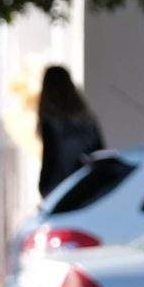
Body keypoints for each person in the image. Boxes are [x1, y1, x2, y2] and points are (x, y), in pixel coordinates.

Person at [35, 67, 103, 198]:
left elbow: (50, 157)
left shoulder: (51, 120)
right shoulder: (86, 117)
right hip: (89, 185)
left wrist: (43, 186)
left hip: (63, 188)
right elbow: (100, 151)